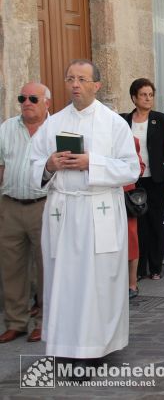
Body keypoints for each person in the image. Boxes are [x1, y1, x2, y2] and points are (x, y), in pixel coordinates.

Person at [30, 59, 140, 361]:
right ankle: (64, 348)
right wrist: (49, 165)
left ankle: (98, 348)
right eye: (70, 79)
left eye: (81, 79)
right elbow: (31, 165)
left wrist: (92, 162)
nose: (75, 84)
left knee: (98, 281)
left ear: (97, 85)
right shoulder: (53, 123)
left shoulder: (113, 123)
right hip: (63, 211)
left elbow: (131, 169)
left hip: (98, 209)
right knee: (61, 280)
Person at [0, 82, 50, 344]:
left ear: (46, 103)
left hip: (43, 205)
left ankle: (43, 322)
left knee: (46, 267)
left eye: (33, 98)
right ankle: (16, 322)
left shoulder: (54, 129)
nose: (26, 102)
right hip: (10, 204)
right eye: (22, 97)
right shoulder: (7, 127)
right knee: (11, 268)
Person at [121, 78, 164, 281]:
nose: (147, 98)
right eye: (143, 95)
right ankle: (139, 268)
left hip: (156, 179)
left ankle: (155, 266)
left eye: (150, 95)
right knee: (138, 225)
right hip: (133, 181)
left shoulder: (160, 119)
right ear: (134, 97)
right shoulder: (124, 120)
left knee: (156, 222)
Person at [126, 137, 145, 299]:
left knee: (131, 240)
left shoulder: (130, 139)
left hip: (125, 196)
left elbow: (140, 167)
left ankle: (132, 284)